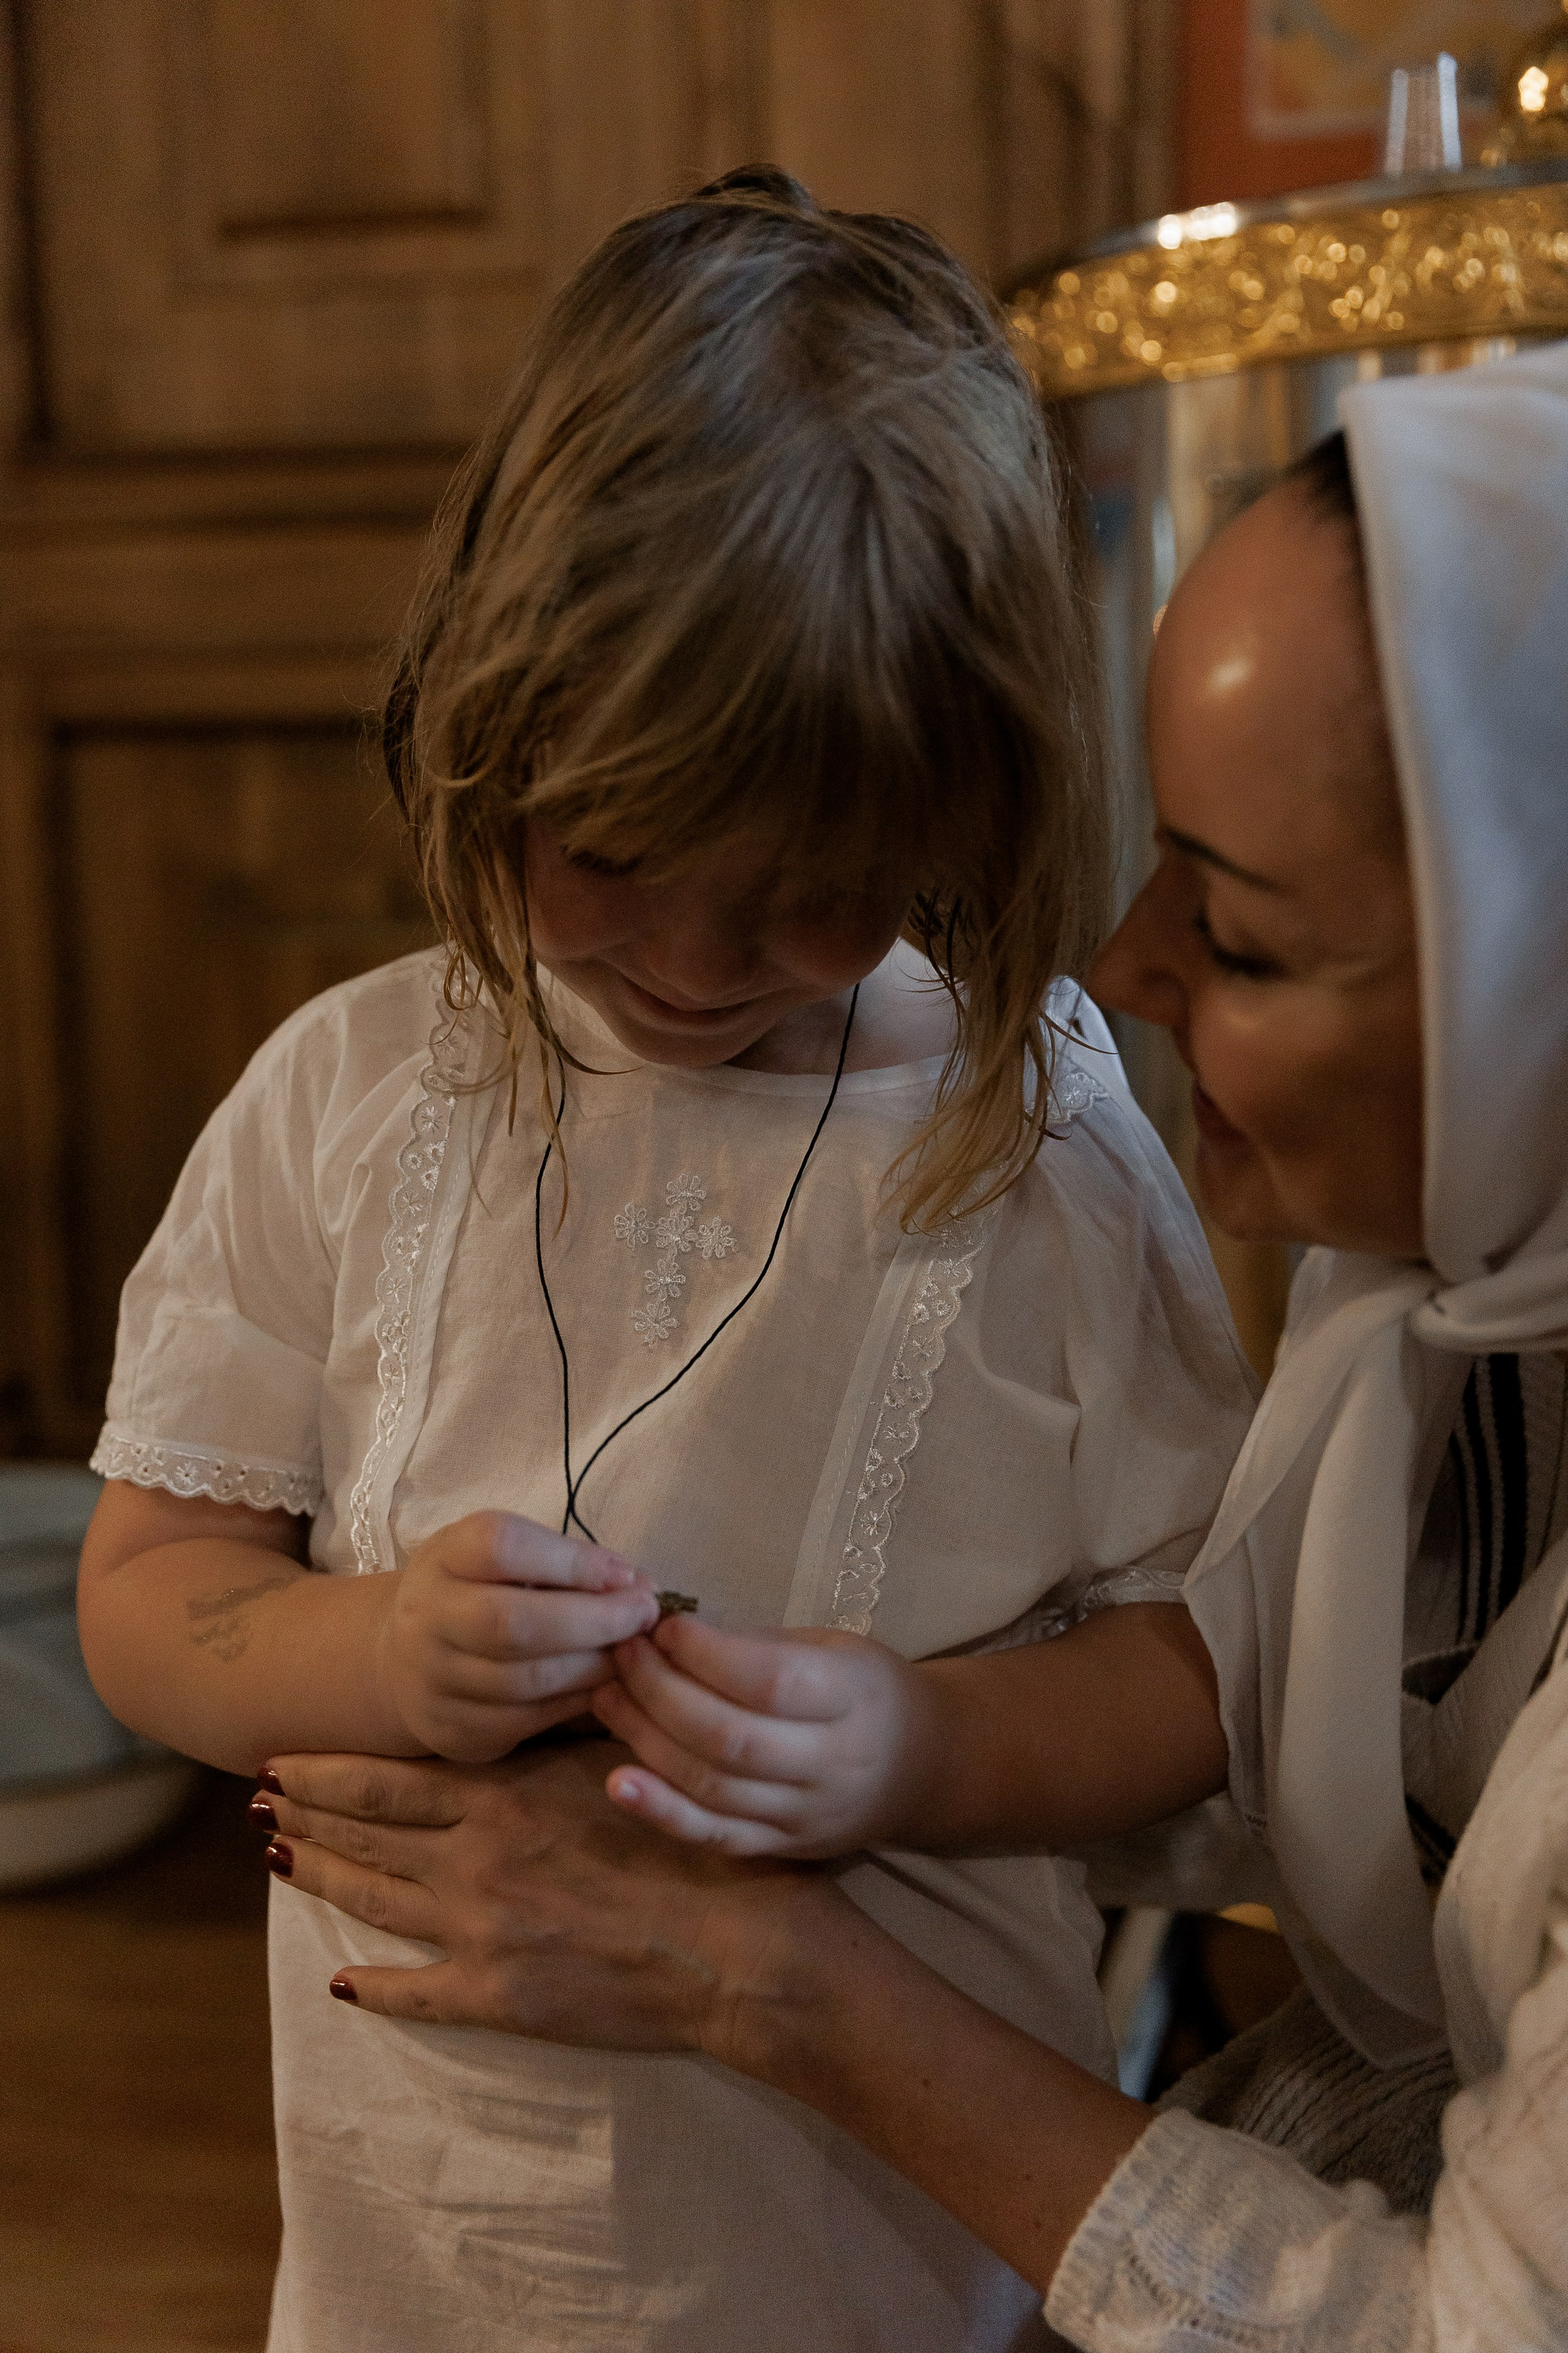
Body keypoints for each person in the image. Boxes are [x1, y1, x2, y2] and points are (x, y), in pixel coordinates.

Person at [251, 341, 1568, 2346]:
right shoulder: (1440, 1322)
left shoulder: (1031, 1143)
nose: (1118, 969)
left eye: (1245, 930)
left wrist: (787, 1930)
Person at [75, 171, 1259, 2352]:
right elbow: (148, 1586)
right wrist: (362, 1653)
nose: (700, 962)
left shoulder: (1042, 1150)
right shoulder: (346, 1098)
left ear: (958, 806)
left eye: (808, 887)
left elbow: (1204, 1677)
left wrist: (916, 1743)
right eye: (609, 853)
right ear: (481, 712)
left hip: (862, 2253)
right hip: (406, 2265)